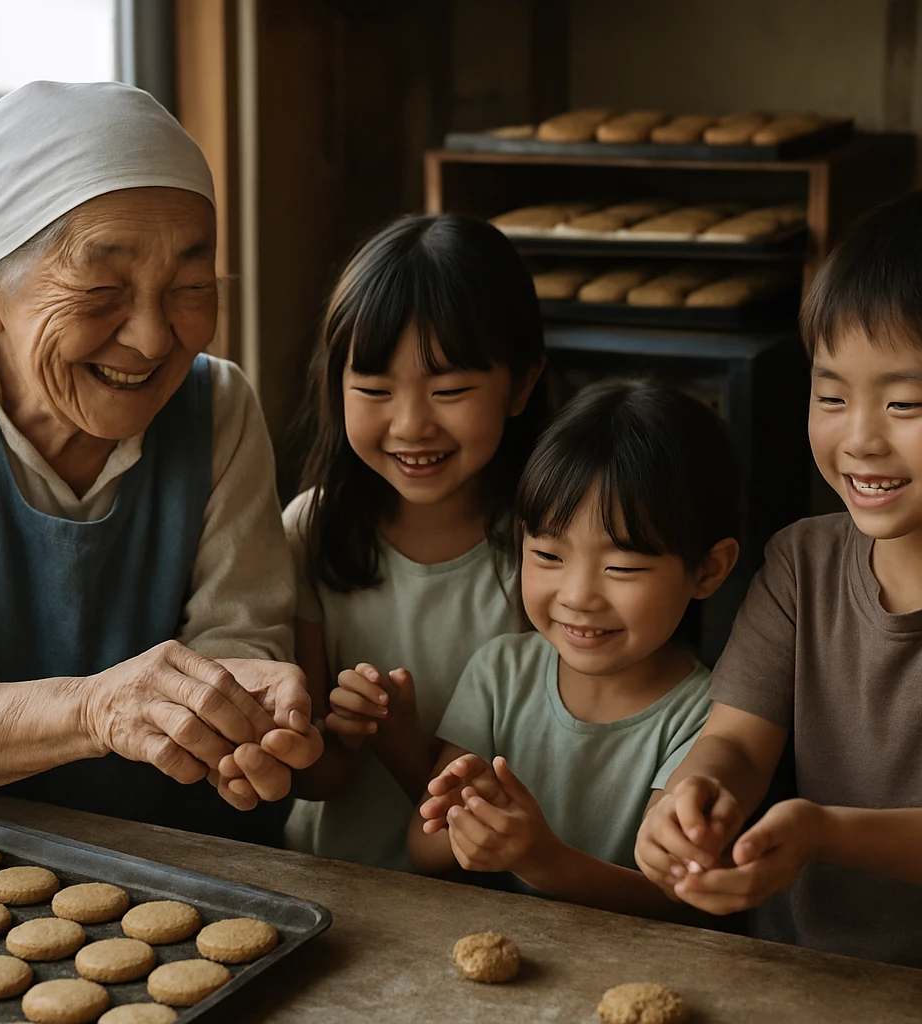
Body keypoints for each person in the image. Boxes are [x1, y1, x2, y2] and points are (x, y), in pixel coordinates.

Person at [0, 81, 322, 841]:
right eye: (101, 290)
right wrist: (98, 707)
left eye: (191, 287)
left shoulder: (217, 405)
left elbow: (237, 636)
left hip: (194, 867)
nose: (155, 339)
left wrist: (243, 705)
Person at [634, 190, 922, 968]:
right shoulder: (803, 565)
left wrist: (824, 833)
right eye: (831, 395)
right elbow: (735, 740)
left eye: (906, 403)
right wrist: (694, 800)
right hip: (801, 975)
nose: (859, 438)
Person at [267, 214, 547, 870]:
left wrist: (404, 751)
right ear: (336, 387)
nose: (412, 424)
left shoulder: (550, 545)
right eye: (374, 390)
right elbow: (313, 782)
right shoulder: (313, 531)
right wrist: (342, 732)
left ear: (522, 385)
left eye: (450, 391)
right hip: (342, 883)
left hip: (503, 888)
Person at [409, 380, 740, 916]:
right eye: (548, 556)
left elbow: (678, 903)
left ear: (708, 568)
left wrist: (542, 859)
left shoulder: (711, 717)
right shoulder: (500, 674)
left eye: (622, 567)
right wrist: (467, 816)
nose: (579, 596)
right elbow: (422, 848)